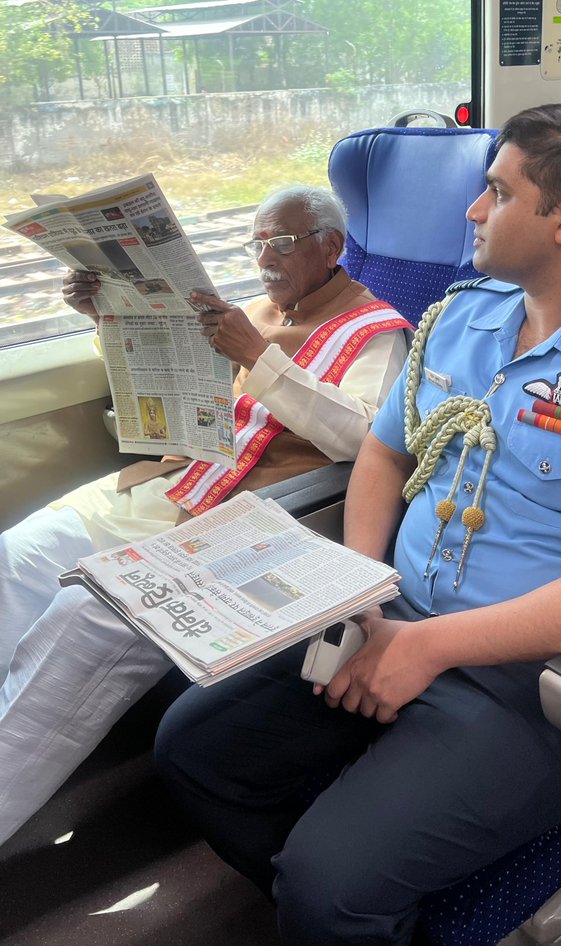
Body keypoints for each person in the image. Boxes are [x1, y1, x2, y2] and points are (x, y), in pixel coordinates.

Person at [155, 104, 561, 946]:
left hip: (527, 680)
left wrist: (430, 649)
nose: (471, 210)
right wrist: (359, 592)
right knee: (193, 747)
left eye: (497, 192)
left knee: (331, 888)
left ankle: (344, 902)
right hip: (389, 616)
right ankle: (361, 910)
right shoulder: (459, 317)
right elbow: (382, 457)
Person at [0, 185, 410, 846]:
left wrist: (257, 356)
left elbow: (366, 443)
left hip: (257, 516)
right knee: (17, 551)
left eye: (280, 241)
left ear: (330, 247)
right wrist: (109, 320)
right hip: (180, 485)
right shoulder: (251, 311)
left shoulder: (376, 333)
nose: (262, 257)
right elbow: (175, 392)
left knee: (87, 617)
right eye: (255, 241)